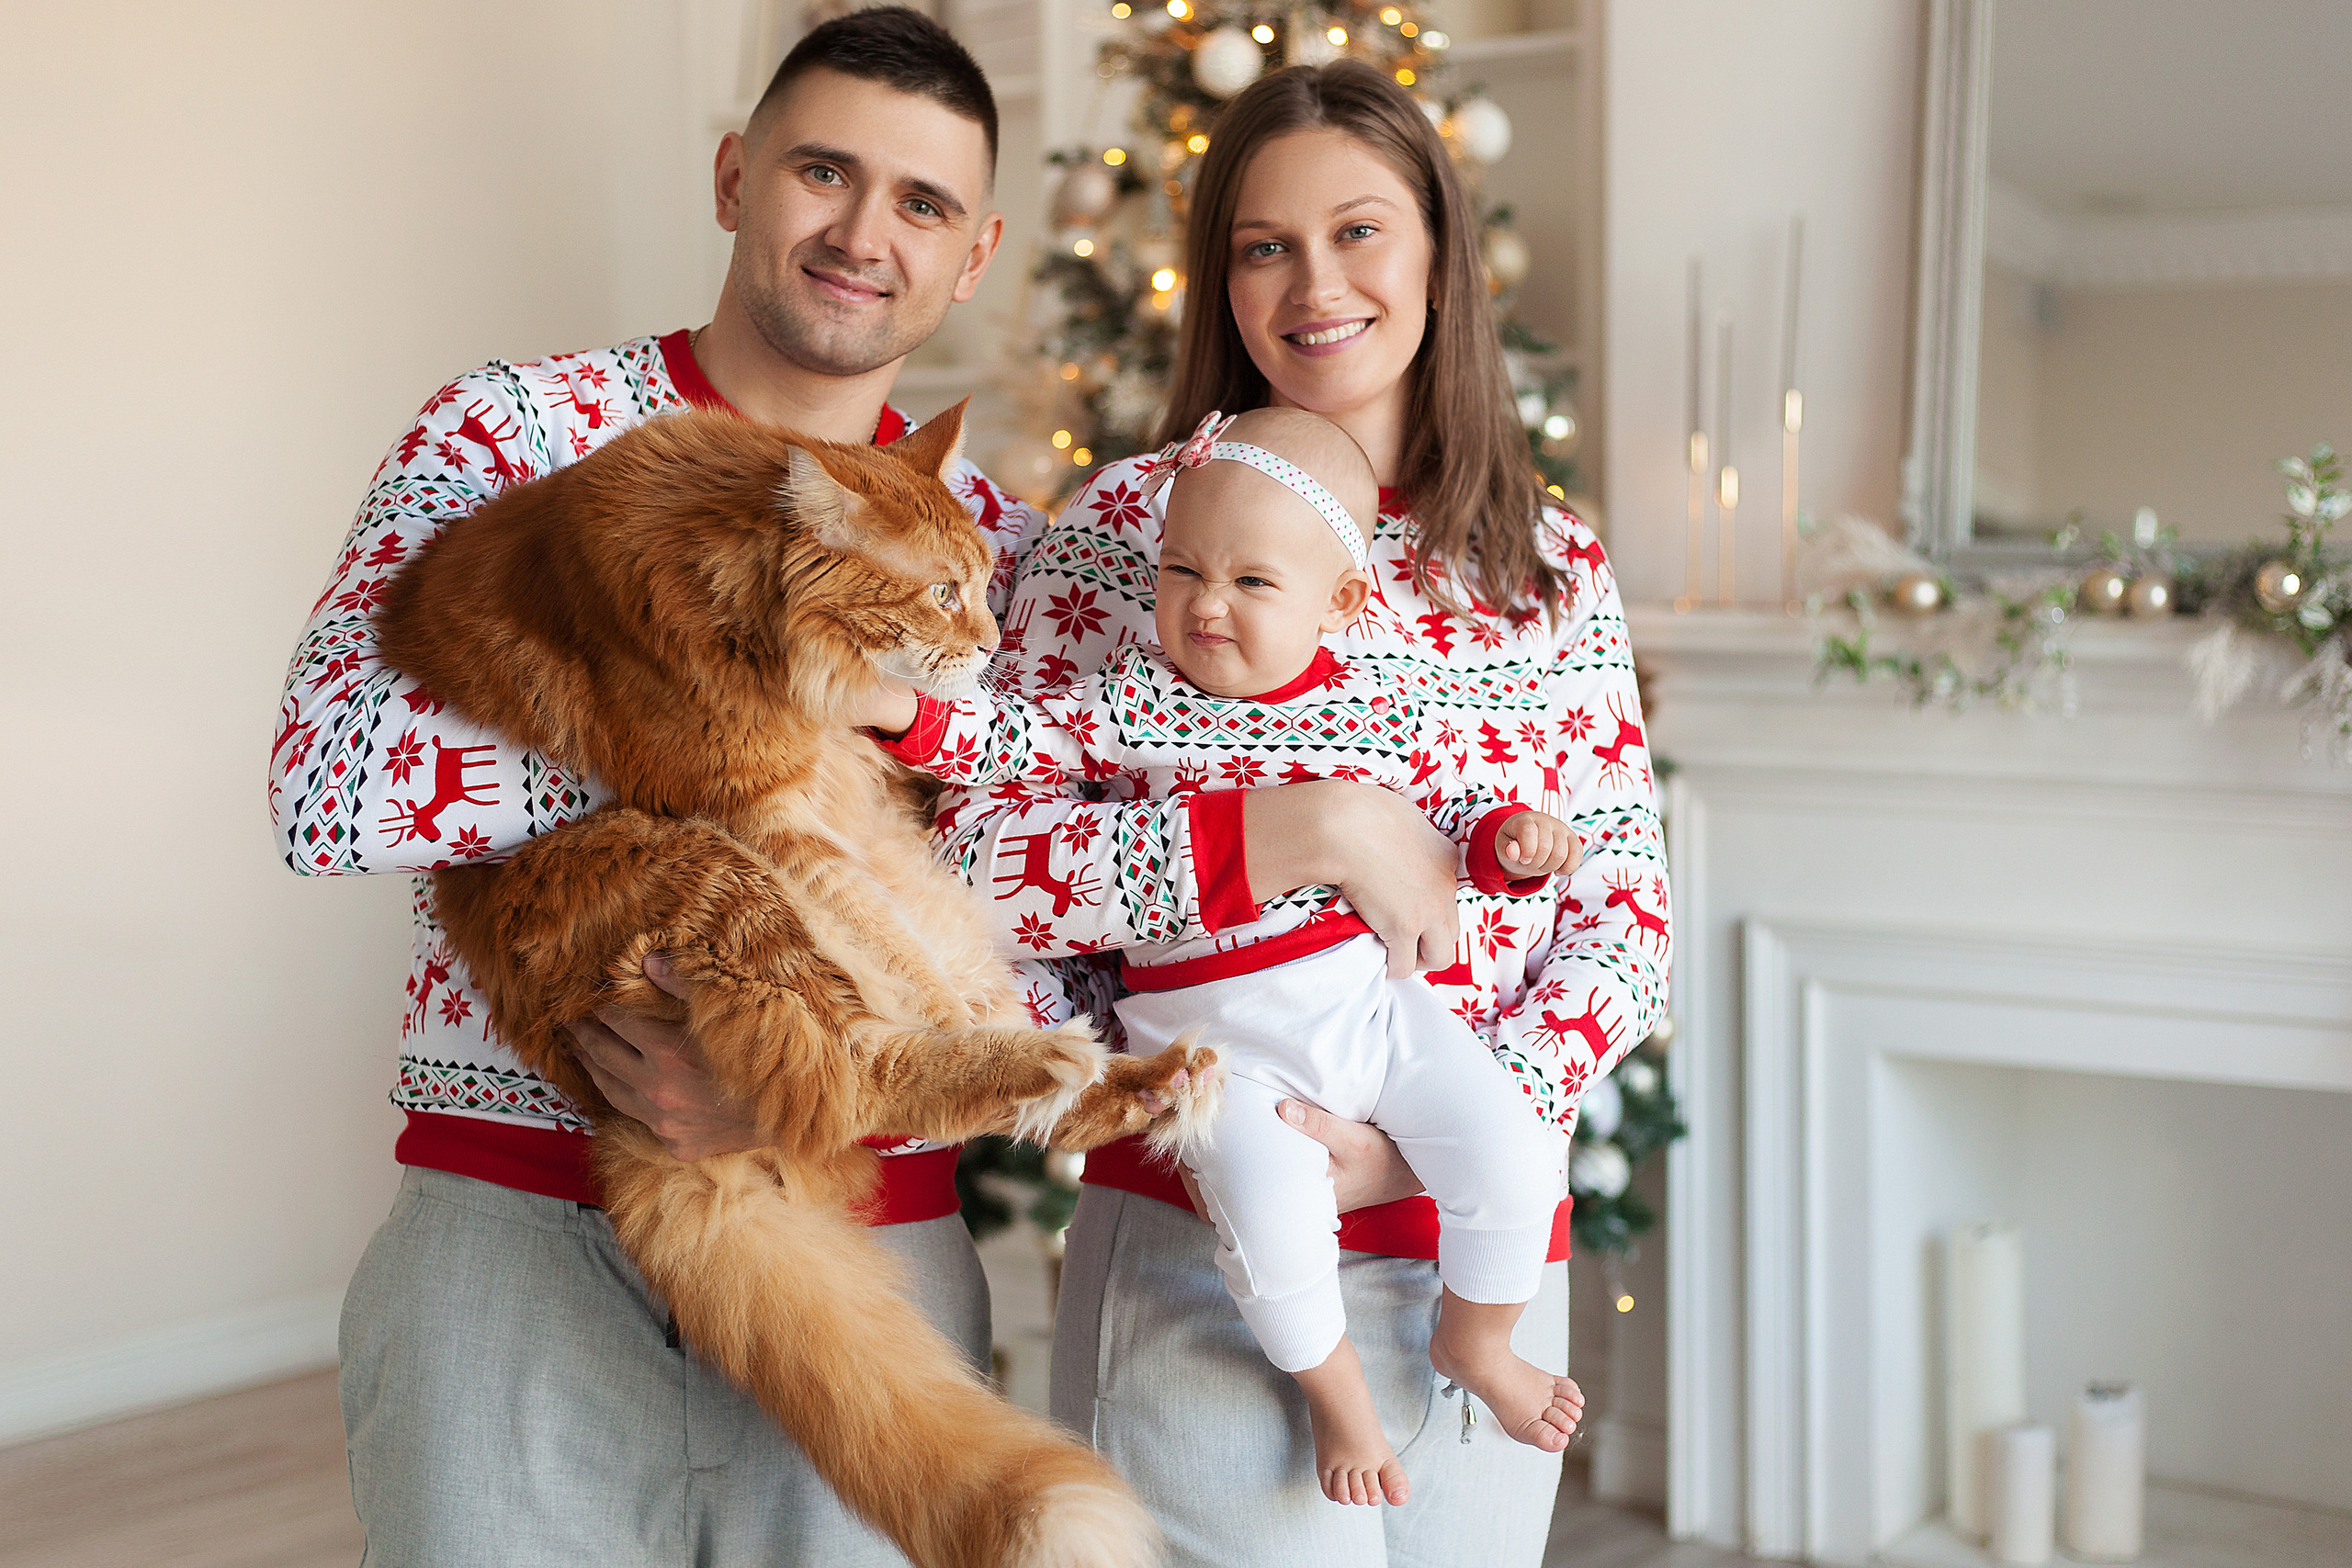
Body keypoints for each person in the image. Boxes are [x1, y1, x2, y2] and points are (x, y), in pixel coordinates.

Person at [268, 11, 1036, 1564]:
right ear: (735, 175)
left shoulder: (994, 544)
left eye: (921, 203)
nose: (859, 232)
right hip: (516, 1240)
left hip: (860, 1242)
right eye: (822, 170)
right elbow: (330, 782)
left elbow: (1039, 885)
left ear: (975, 255)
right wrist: (748, 720)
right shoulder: (515, 432)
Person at [929, 62, 1673, 1565]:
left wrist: (1439, 1132)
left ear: (1442, 256)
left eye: (1359, 232)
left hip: (1483, 1258)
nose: (1313, 284)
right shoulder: (1122, 539)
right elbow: (976, 873)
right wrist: (1269, 869)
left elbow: (1629, 923)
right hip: (1206, 1252)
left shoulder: (1544, 566)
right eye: (1263, 244)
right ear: (1221, 279)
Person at [858, 403, 1587, 1508]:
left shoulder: (1377, 704)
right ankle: (1334, 1391)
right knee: (1264, 1203)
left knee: (1508, 1146)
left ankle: (1478, 1341)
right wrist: (902, 714)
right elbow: (1013, 741)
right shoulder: (1137, 698)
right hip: (1210, 1047)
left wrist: (1512, 847)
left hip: (1368, 1013)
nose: (1204, 605)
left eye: (1251, 584)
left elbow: (1459, 825)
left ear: (1339, 604)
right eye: (1182, 570)